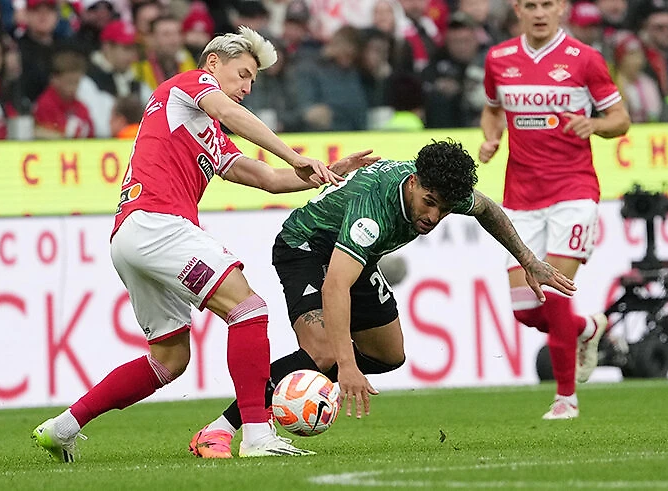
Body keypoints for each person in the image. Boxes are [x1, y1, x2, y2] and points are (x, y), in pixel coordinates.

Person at [31, 26, 376, 463]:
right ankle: (256, 434)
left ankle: (61, 428)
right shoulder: (188, 85)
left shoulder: (208, 130)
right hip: (158, 223)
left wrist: (327, 171)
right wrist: (293, 153)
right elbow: (232, 115)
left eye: (253, 81)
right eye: (243, 74)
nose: (247, 88)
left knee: (168, 361)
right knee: (248, 308)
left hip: (131, 236)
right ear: (213, 63)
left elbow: (267, 179)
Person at [188, 139, 577, 459]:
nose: (434, 216)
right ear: (413, 183)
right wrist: (345, 365)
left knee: (389, 355)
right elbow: (335, 287)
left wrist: (528, 260)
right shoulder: (374, 210)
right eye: (429, 202)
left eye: (443, 209)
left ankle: (292, 388)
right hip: (305, 246)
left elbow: (487, 208)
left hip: (357, 254)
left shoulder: (442, 188)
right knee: (325, 352)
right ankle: (220, 429)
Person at [479, 0, 631, 420]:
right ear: (518, 9)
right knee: (526, 310)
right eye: (531, 5)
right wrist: (491, 138)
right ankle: (588, 329)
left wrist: (594, 124)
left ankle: (566, 399)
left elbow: (620, 119)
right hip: (520, 197)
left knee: (555, 293)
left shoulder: (586, 59)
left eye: (547, 3)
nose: (539, 12)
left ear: (561, 8)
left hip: (573, 191)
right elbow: (492, 110)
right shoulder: (499, 58)